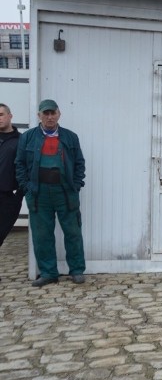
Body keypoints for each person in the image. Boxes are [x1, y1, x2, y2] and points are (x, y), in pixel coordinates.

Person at [15, 99, 86, 286]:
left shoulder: (71, 137)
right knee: (42, 234)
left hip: (65, 192)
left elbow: (79, 163)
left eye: (52, 113)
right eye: (45, 113)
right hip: (38, 193)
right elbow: (19, 164)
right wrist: (27, 188)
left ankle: (77, 270)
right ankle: (48, 273)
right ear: (39, 116)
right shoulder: (28, 137)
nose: (49, 117)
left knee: (73, 232)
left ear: (59, 114)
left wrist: (76, 185)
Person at [0, 104, 25, 281]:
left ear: (10, 116)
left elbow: (27, 167)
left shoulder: (21, 140)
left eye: (1, 114)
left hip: (9, 196)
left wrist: (20, 194)